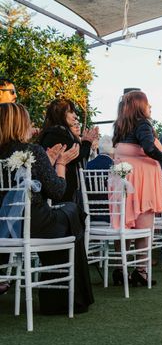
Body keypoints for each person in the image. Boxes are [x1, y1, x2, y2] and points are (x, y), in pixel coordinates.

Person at [0, 103, 94, 314]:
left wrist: (49, 161)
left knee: (69, 213)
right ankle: (68, 297)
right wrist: (60, 164)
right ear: (19, 124)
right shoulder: (31, 151)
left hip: (5, 227)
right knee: (72, 210)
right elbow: (57, 191)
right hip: (34, 225)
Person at [111, 91, 162, 287]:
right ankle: (141, 271)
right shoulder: (143, 123)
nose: (150, 107)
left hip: (123, 179)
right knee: (143, 227)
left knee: (126, 224)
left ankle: (121, 269)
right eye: (147, 103)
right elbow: (148, 147)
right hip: (141, 181)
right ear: (140, 105)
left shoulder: (121, 125)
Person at [38, 98, 99, 205]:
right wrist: (87, 142)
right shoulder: (57, 132)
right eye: (71, 112)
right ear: (60, 114)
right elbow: (76, 154)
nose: (75, 116)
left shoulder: (59, 131)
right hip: (62, 193)